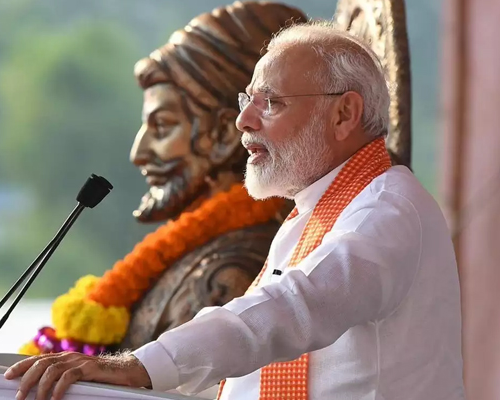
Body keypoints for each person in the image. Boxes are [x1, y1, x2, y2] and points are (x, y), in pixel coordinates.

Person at [5, 22, 466, 400]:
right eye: (248, 100)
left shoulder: (385, 209)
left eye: (271, 102)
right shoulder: (314, 211)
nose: (244, 120)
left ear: (344, 114)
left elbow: (294, 309)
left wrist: (140, 367)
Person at [19, 1, 304, 356]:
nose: (138, 152)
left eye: (163, 126)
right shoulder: (201, 251)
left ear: (222, 134)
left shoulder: (233, 269)